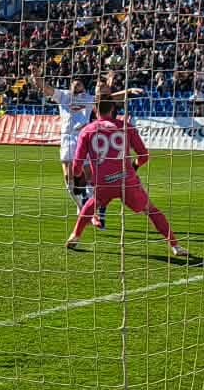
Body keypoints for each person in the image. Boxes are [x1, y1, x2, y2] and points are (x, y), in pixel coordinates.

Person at [64, 94, 185, 257]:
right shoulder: (126, 127)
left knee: (91, 204)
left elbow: (77, 164)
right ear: (113, 108)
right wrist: (134, 167)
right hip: (126, 180)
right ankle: (175, 246)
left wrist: (79, 179)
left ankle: (75, 236)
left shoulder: (87, 130)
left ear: (94, 109)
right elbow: (144, 156)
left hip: (103, 182)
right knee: (151, 210)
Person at [32, 72, 101, 227]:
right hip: (67, 139)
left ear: (83, 86)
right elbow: (46, 88)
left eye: (79, 83)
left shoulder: (89, 99)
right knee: (67, 177)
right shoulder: (63, 96)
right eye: (74, 83)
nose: (76, 85)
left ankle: (91, 210)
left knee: (89, 175)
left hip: (83, 138)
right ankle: (81, 207)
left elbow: (108, 100)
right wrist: (37, 78)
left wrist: (127, 93)